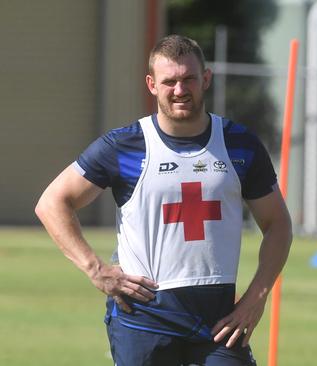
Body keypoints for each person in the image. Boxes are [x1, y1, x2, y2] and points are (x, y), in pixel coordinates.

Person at [35, 35, 292, 366]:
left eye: (189, 79)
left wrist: (257, 296)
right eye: (169, 81)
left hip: (219, 320)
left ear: (206, 79)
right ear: (152, 84)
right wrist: (96, 269)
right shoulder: (124, 145)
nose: (180, 90)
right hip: (144, 315)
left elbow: (278, 224)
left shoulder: (240, 144)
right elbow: (52, 202)